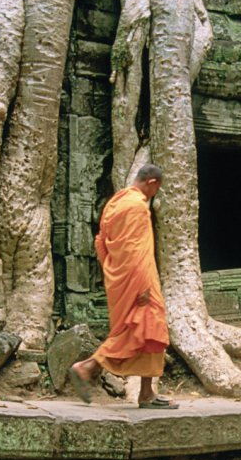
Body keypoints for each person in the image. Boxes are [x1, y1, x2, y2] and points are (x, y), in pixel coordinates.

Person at [68, 164, 179, 409]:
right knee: (146, 329)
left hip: (119, 278)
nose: (155, 194)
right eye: (157, 189)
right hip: (140, 279)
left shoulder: (115, 202)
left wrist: (112, 272)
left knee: (145, 334)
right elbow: (136, 250)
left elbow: (101, 242)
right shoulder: (138, 207)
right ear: (151, 182)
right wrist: (142, 285)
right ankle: (87, 367)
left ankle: (147, 393)